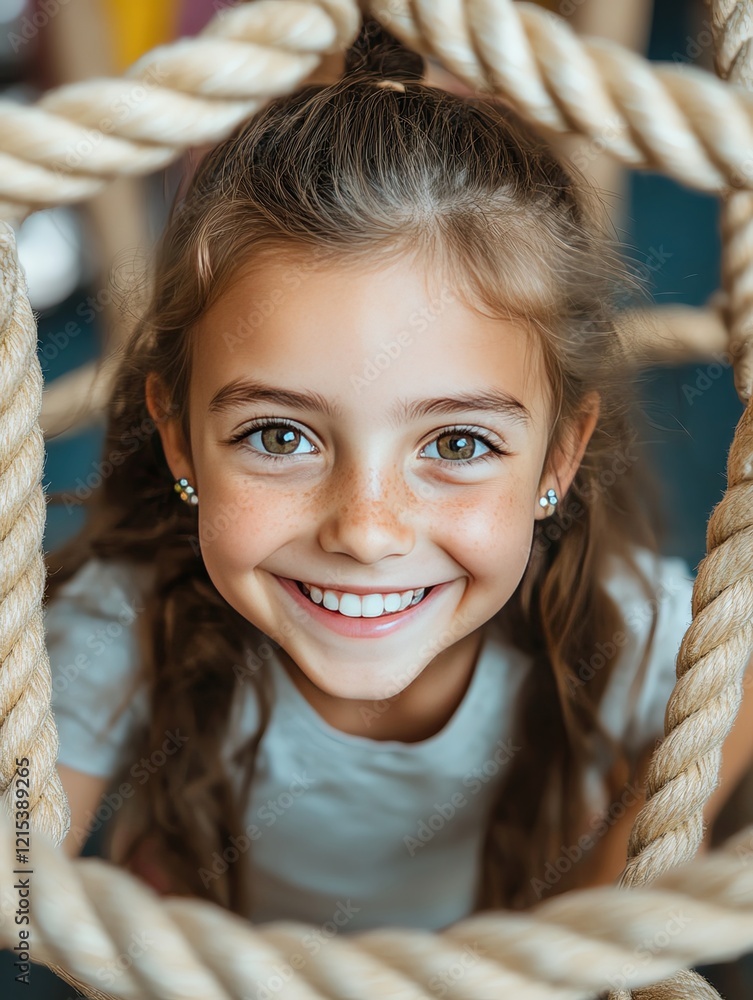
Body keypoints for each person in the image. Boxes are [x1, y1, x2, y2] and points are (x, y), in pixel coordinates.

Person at [44, 21, 753, 932]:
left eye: (456, 446)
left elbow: (730, 710)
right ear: (179, 442)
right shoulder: (131, 617)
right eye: (279, 436)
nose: (367, 528)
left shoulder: (612, 623)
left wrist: (590, 921)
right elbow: (22, 854)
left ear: (558, 459)